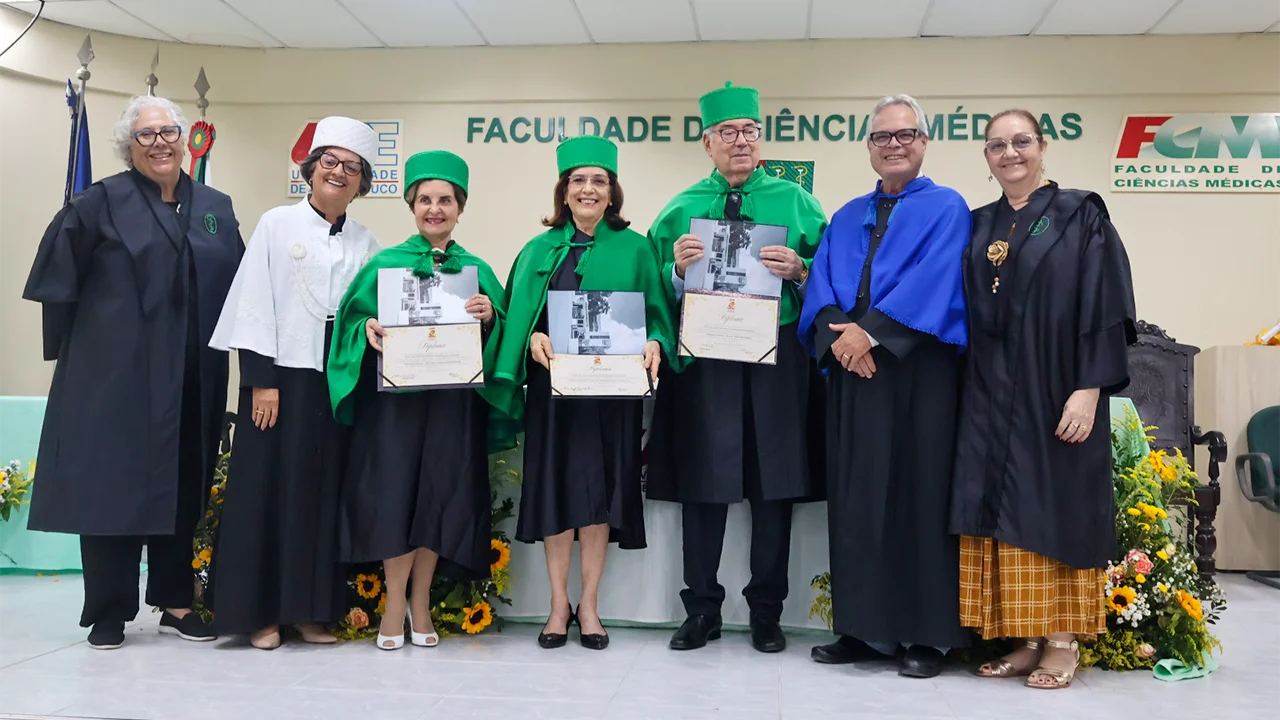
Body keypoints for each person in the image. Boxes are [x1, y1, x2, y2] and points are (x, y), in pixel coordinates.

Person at [21, 96, 244, 650]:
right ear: (129, 147)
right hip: (115, 378)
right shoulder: (100, 203)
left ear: (184, 138)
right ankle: (109, 609)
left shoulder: (216, 207)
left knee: (183, 483)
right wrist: (82, 364)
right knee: (110, 489)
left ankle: (174, 602)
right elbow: (57, 285)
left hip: (194, 376)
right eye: (146, 135)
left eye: (169, 131)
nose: (160, 142)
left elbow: (244, 288)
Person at [950, 109, 1137, 690]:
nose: (1010, 154)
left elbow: (1104, 304)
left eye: (1021, 142)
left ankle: (1061, 642)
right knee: (1002, 512)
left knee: (1055, 506)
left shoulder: (1080, 213)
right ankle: (1024, 638)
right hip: (989, 391)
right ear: (985, 157)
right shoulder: (978, 225)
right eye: (997, 145)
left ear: (1042, 146)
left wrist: (1088, 390)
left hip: (1057, 385)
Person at [645, 82, 827, 654]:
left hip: (776, 361)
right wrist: (675, 272)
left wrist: (801, 269)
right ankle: (701, 609)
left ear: (761, 138)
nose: (740, 141)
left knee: (772, 488)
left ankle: (766, 612)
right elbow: (652, 289)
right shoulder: (679, 208)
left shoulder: (798, 203)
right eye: (728, 133)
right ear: (707, 143)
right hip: (705, 363)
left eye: (749, 131)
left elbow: (834, 276)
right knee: (704, 483)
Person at [799, 95, 972, 679]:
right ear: (869, 147)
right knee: (857, 501)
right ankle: (864, 630)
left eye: (905, 135)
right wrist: (840, 339)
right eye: (881, 137)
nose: (893, 145)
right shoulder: (847, 213)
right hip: (855, 381)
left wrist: (870, 337)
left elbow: (940, 280)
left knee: (919, 499)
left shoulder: (949, 208)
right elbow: (819, 282)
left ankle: (928, 637)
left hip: (918, 375)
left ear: (924, 141)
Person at [326, 150, 522, 650]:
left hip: (452, 405)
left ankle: (421, 601)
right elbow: (350, 323)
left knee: (439, 497)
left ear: (461, 207)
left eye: (446, 201)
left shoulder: (475, 270)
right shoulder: (385, 265)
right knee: (396, 497)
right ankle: (395, 603)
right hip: (396, 406)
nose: (436, 209)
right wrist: (365, 327)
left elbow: (505, 335)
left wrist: (488, 317)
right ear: (412, 205)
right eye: (426, 200)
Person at [208, 117, 383, 649]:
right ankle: (259, 614)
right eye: (328, 162)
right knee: (266, 493)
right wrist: (261, 381)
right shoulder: (276, 224)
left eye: (350, 168)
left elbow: (367, 312)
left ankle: (308, 611)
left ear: (362, 183)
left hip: (335, 382)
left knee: (320, 495)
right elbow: (254, 301)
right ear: (309, 170)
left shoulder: (367, 241)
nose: (338, 173)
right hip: (278, 382)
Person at [494, 136, 674, 650]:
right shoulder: (538, 250)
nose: (589, 189)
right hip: (553, 396)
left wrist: (656, 341)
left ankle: (589, 607)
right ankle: (557, 606)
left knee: (599, 498)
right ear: (564, 191)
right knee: (554, 494)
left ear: (612, 191)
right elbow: (515, 317)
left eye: (599, 180)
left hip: (611, 397)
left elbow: (658, 314)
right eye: (578, 180)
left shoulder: (636, 248)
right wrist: (531, 337)